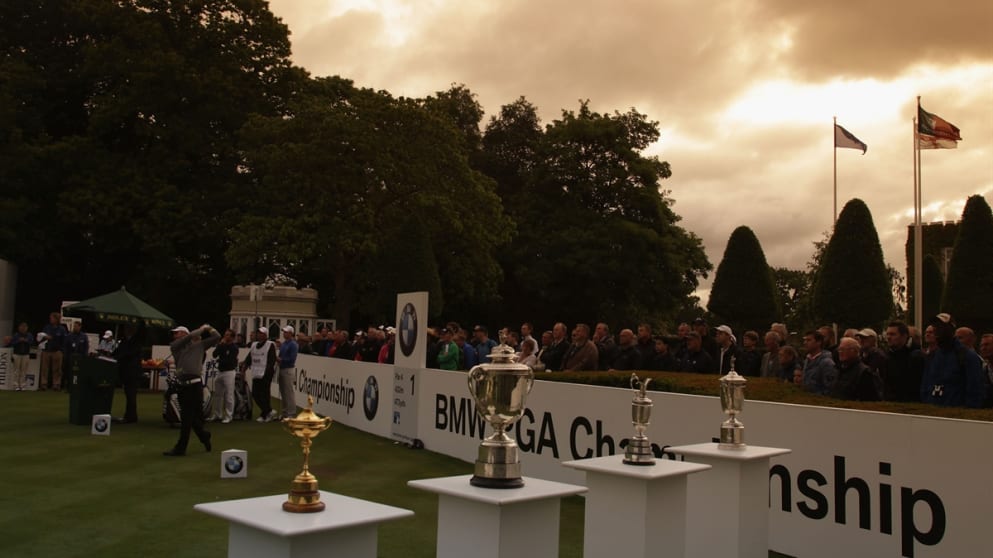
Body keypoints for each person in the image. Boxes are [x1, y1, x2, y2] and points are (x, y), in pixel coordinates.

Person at [163, 324, 220, 456]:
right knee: (189, 417)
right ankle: (203, 436)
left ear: (184, 333)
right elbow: (189, 337)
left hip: (195, 385)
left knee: (191, 417)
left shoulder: (199, 346)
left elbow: (217, 336)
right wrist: (200, 330)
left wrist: (209, 328)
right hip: (183, 385)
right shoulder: (176, 346)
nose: (174, 336)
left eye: (177, 333)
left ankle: (182, 447)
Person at [920, 313, 986, 408]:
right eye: (935, 326)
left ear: (950, 329)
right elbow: (925, 385)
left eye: (941, 326)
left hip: (956, 415)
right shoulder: (932, 356)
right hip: (932, 414)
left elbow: (975, 391)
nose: (937, 330)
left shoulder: (967, 356)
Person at [242, 326, 278, 422]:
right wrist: (244, 368)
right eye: (258, 333)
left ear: (266, 335)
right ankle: (268, 411)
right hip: (256, 373)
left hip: (266, 373)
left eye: (261, 333)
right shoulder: (254, 345)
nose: (259, 335)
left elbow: (272, 360)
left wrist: (268, 371)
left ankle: (265, 414)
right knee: (255, 394)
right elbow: (249, 358)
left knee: (264, 394)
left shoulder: (270, 345)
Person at [882, 321, 923, 402]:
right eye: (888, 334)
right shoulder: (888, 356)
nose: (889, 337)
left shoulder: (916, 357)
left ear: (904, 336)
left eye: (893, 334)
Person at [112, 324, 143, 423]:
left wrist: (117, 357)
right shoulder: (124, 340)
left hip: (133, 372)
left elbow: (129, 354)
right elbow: (118, 351)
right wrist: (110, 354)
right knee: (129, 394)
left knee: (131, 394)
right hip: (125, 371)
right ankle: (129, 414)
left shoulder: (136, 341)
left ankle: (131, 416)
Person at [209, 329, 240, 423]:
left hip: (229, 372)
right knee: (218, 394)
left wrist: (220, 361)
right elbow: (214, 354)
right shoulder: (222, 346)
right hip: (220, 371)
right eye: (225, 335)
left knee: (229, 394)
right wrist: (220, 345)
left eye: (228, 335)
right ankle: (217, 414)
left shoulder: (234, 347)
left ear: (232, 337)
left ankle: (229, 415)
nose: (225, 337)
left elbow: (230, 360)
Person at [800, 330, 836, 395]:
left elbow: (829, 388)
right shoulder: (807, 360)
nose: (805, 343)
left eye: (809, 340)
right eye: (804, 340)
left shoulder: (827, 363)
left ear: (818, 342)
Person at [40, 312, 67, 391]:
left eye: (52, 318)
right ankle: (43, 384)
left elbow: (64, 341)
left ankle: (56, 384)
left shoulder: (62, 329)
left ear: (56, 319)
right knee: (44, 369)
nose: (50, 319)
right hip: (46, 350)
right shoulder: (47, 327)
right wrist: (45, 338)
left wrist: (61, 350)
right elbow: (41, 337)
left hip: (57, 351)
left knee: (57, 369)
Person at [278, 325, 299, 419]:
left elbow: (292, 359)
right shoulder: (284, 343)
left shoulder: (293, 344)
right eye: (284, 332)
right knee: (283, 391)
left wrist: (280, 360)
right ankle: (285, 412)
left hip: (288, 369)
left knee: (289, 392)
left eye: (286, 332)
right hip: (282, 368)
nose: (284, 333)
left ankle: (291, 412)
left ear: (291, 333)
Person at [6, 322, 34, 391]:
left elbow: (31, 342)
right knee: (16, 370)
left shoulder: (29, 335)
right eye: (21, 327)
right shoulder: (16, 335)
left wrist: (25, 340)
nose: (23, 328)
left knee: (24, 371)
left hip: (25, 354)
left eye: (24, 327)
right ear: (19, 328)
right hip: (17, 354)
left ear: (27, 328)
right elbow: (12, 343)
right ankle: (16, 385)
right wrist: (19, 340)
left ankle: (23, 385)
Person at [64, 321, 90, 391]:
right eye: (74, 326)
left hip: (80, 358)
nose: (74, 327)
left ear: (79, 327)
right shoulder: (69, 335)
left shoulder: (84, 336)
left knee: (79, 374)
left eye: (76, 326)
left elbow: (86, 347)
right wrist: (66, 356)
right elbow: (66, 346)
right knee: (70, 373)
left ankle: (78, 388)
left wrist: (85, 357)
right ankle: (69, 388)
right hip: (71, 357)